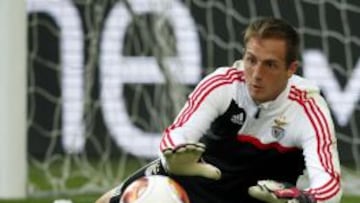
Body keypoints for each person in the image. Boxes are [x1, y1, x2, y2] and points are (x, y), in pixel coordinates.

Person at [96, 17, 342, 203]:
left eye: (270, 65)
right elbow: (176, 134)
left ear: (291, 69)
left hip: (257, 198)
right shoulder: (223, 84)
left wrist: (297, 198)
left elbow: (329, 185)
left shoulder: (308, 108)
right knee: (139, 193)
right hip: (197, 187)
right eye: (251, 60)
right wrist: (176, 159)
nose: (256, 74)